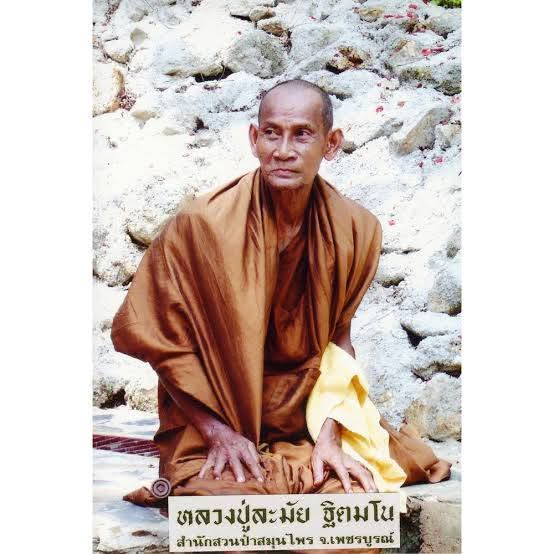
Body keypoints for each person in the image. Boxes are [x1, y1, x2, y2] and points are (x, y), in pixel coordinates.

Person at [110, 79, 451, 552]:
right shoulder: (201, 227)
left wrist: (330, 435)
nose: (284, 150)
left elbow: (339, 344)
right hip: (216, 419)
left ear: (331, 143)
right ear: (254, 139)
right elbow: (163, 346)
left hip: (303, 421)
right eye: (272, 133)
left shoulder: (354, 229)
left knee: (353, 516)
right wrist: (218, 433)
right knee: (225, 520)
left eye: (302, 134)